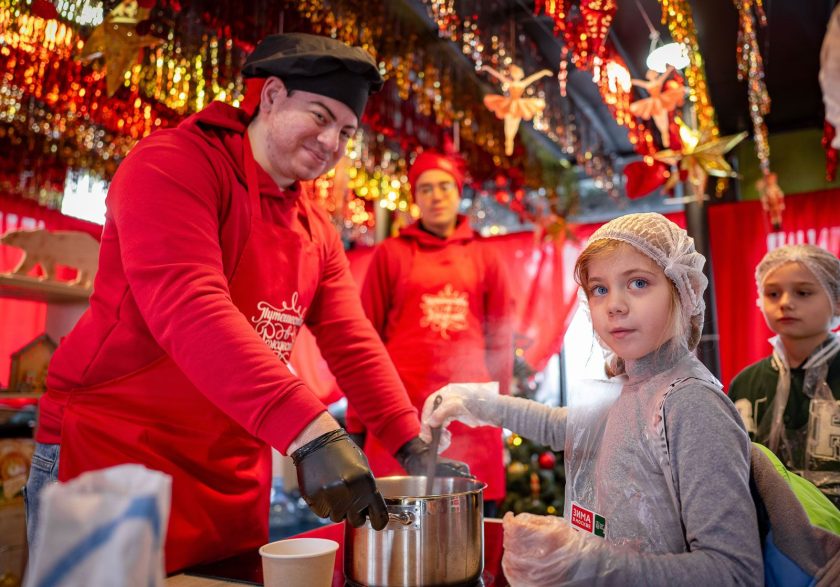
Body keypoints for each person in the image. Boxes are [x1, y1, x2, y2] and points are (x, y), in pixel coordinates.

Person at [24, 32, 465, 573]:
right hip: (115, 453)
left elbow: (352, 341)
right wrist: (311, 431)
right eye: (320, 116)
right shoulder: (172, 164)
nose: (332, 142)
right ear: (272, 95)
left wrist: (408, 441)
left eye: (346, 131)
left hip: (228, 473)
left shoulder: (316, 230)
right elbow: (189, 302)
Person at [421, 212, 763, 584]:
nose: (615, 304)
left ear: (683, 290)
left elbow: (735, 573)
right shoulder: (629, 386)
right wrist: (476, 401)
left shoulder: (691, 404)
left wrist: (590, 564)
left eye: (638, 282)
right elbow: (564, 426)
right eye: (600, 289)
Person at [345, 151, 513, 515]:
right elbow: (364, 339)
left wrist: (504, 411)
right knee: (398, 522)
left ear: (458, 192)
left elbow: (501, 341)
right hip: (402, 414)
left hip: (471, 413)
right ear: (415, 197)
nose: (436, 196)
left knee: (473, 524)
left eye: (444, 186)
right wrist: (357, 424)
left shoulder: (486, 257)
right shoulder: (390, 255)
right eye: (425, 189)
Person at [729, 243, 840, 506]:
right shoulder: (746, 383)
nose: (786, 303)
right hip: (768, 537)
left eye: (803, 292)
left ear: (837, 302)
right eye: (773, 293)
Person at [481, 65, 552, 156]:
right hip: (510, 104)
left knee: (514, 124)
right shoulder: (510, 83)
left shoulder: (522, 83)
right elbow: (498, 76)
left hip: (518, 105)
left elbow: (533, 77)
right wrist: (487, 68)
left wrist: (544, 72)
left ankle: (510, 140)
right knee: (508, 123)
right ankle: (508, 141)